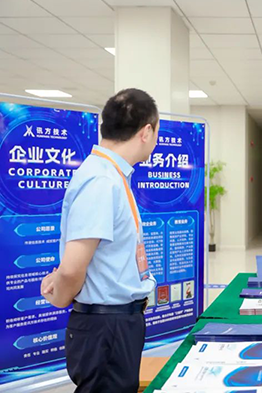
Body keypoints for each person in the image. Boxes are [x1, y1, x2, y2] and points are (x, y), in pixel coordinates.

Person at [40, 88, 159, 393]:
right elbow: (72, 267)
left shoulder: (112, 175)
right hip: (106, 329)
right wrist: (61, 295)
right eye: (156, 133)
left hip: (116, 325)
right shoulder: (102, 181)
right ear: (146, 132)